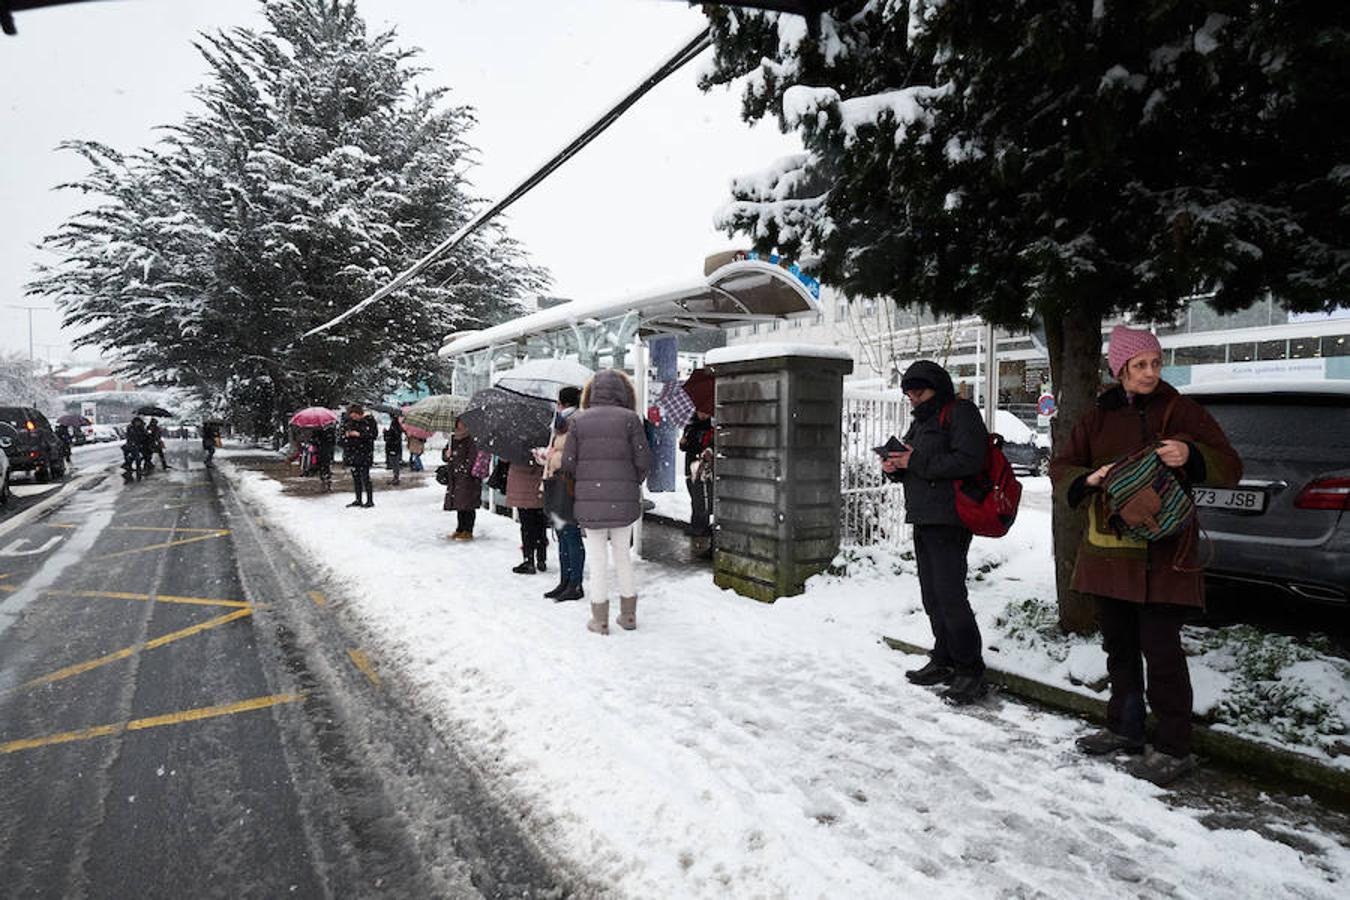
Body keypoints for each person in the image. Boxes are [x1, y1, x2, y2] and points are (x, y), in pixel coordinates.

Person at [1050, 325, 1241, 786]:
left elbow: (1230, 466)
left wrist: (1191, 454)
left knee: (1162, 653)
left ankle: (1175, 748)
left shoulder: (1182, 410)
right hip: (1109, 551)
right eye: (1140, 365)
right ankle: (1125, 728)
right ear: (1120, 370)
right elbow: (1061, 468)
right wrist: (1090, 478)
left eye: (1155, 363)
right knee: (1118, 646)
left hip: (1164, 555)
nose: (1150, 373)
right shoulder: (1098, 416)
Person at [880, 360, 990, 705]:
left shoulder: (960, 413)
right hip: (925, 516)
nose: (913, 398)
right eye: (909, 393)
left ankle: (970, 670)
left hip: (951, 517)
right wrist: (894, 467)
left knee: (950, 595)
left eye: (919, 391)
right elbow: (915, 463)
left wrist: (914, 462)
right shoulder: (922, 421)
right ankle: (943, 658)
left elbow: (971, 460)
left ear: (937, 389)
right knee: (932, 594)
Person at [559, 369, 651, 635]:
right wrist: (629, 481)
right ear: (623, 393)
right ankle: (629, 616)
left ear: (592, 393)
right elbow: (644, 461)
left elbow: (568, 463)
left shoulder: (579, 420)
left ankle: (599, 620)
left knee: (598, 559)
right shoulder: (631, 419)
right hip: (623, 502)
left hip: (589, 501)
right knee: (623, 555)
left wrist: (585, 478)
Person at [541, 385, 585, 601]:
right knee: (561, 532)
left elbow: (573, 457)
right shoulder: (561, 424)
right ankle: (565, 580)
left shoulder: (576, 422)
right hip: (558, 481)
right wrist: (547, 457)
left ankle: (575, 583)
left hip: (568, 483)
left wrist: (553, 458)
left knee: (570, 534)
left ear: (563, 403)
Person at [506, 449, 549, 575]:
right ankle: (541, 559)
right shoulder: (544, 441)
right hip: (540, 487)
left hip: (521, 488)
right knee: (540, 525)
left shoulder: (515, 444)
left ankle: (528, 560)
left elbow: (505, 459)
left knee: (526, 526)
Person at [679, 408, 715, 539]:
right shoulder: (690, 427)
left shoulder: (711, 428)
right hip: (690, 467)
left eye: (705, 412)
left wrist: (707, 451)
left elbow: (711, 446)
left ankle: (700, 526)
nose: (703, 414)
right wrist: (683, 443)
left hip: (702, 468)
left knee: (701, 497)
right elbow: (685, 448)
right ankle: (696, 524)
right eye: (700, 412)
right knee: (694, 497)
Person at [443, 418, 481, 540]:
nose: (460, 425)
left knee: (468, 505)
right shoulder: (452, 439)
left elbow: (472, 458)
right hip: (455, 477)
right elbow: (445, 456)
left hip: (468, 478)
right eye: (458, 422)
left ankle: (468, 529)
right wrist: (446, 454)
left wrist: (463, 471)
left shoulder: (471, 439)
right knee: (459, 504)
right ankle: (460, 528)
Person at [341, 403, 378, 508]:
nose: (354, 418)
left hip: (365, 452)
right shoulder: (349, 422)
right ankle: (358, 499)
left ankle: (370, 500)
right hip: (352, 452)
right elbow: (343, 436)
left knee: (365, 477)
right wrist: (347, 435)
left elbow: (373, 435)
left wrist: (359, 435)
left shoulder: (369, 421)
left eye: (355, 415)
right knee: (356, 477)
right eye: (352, 416)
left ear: (359, 413)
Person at [384, 415, 404, 485]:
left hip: (393, 447)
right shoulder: (397, 425)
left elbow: (392, 436)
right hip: (395, 447)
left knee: (394, 463)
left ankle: (396, 478)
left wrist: (386, 433)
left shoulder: (394, 425)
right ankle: (396, 477)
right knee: (395, 463)